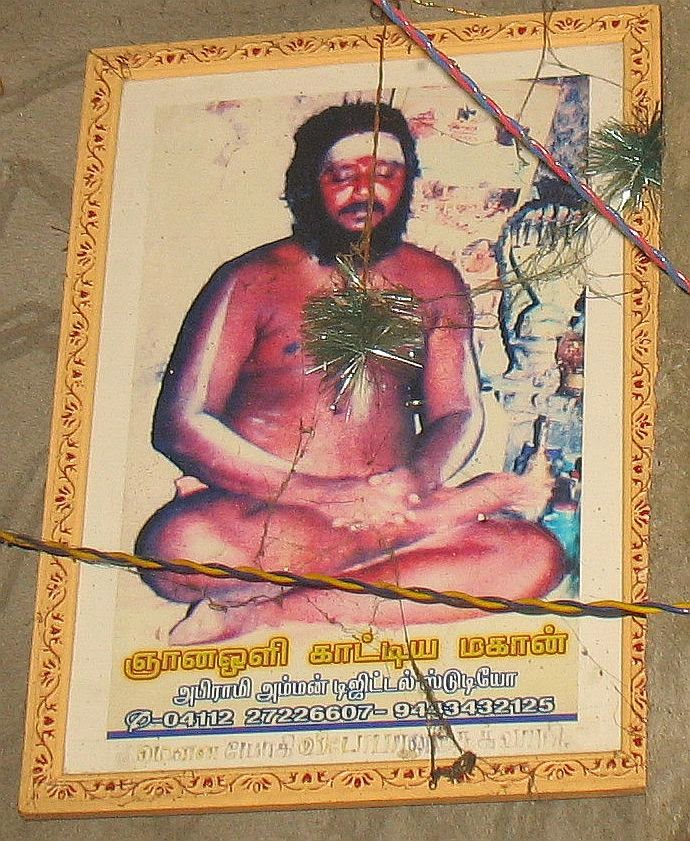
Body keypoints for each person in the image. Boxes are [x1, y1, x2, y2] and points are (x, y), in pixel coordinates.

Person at [136, 102, 564, 644]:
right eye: (343, 176)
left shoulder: (434, 279)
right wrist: (325, 496)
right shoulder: (251, 278)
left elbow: (458, 412)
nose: (367, 192)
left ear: (407, 183)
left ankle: (266, 613)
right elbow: (183, 423)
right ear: (308, 185)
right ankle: (433, 523)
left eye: (386, 175)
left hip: (392, 505)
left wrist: (420, 478)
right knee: (182, 554)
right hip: (272, 510)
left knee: (534, 558)